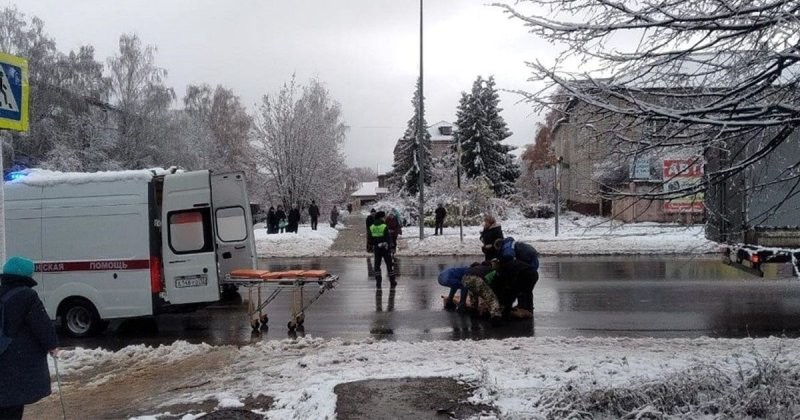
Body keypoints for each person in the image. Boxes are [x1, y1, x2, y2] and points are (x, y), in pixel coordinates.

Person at [0, 257, 59, 420]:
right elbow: (41, 325)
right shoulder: (27, 296)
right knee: (12, 404)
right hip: (16, 359)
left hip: (3, 355)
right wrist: (52, 345)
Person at [369, 211, 396, 289]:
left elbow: (370, 239)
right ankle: (392, 282)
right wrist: (391, 246)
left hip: (377, 248)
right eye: (383, 217)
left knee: (377, 265)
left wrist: (373, 244)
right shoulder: (384, 226)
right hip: (385, 248)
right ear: (381, 217)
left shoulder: (372, 227)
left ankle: (378, 283)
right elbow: (388, 238)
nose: (384, 218)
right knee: (389, 264)